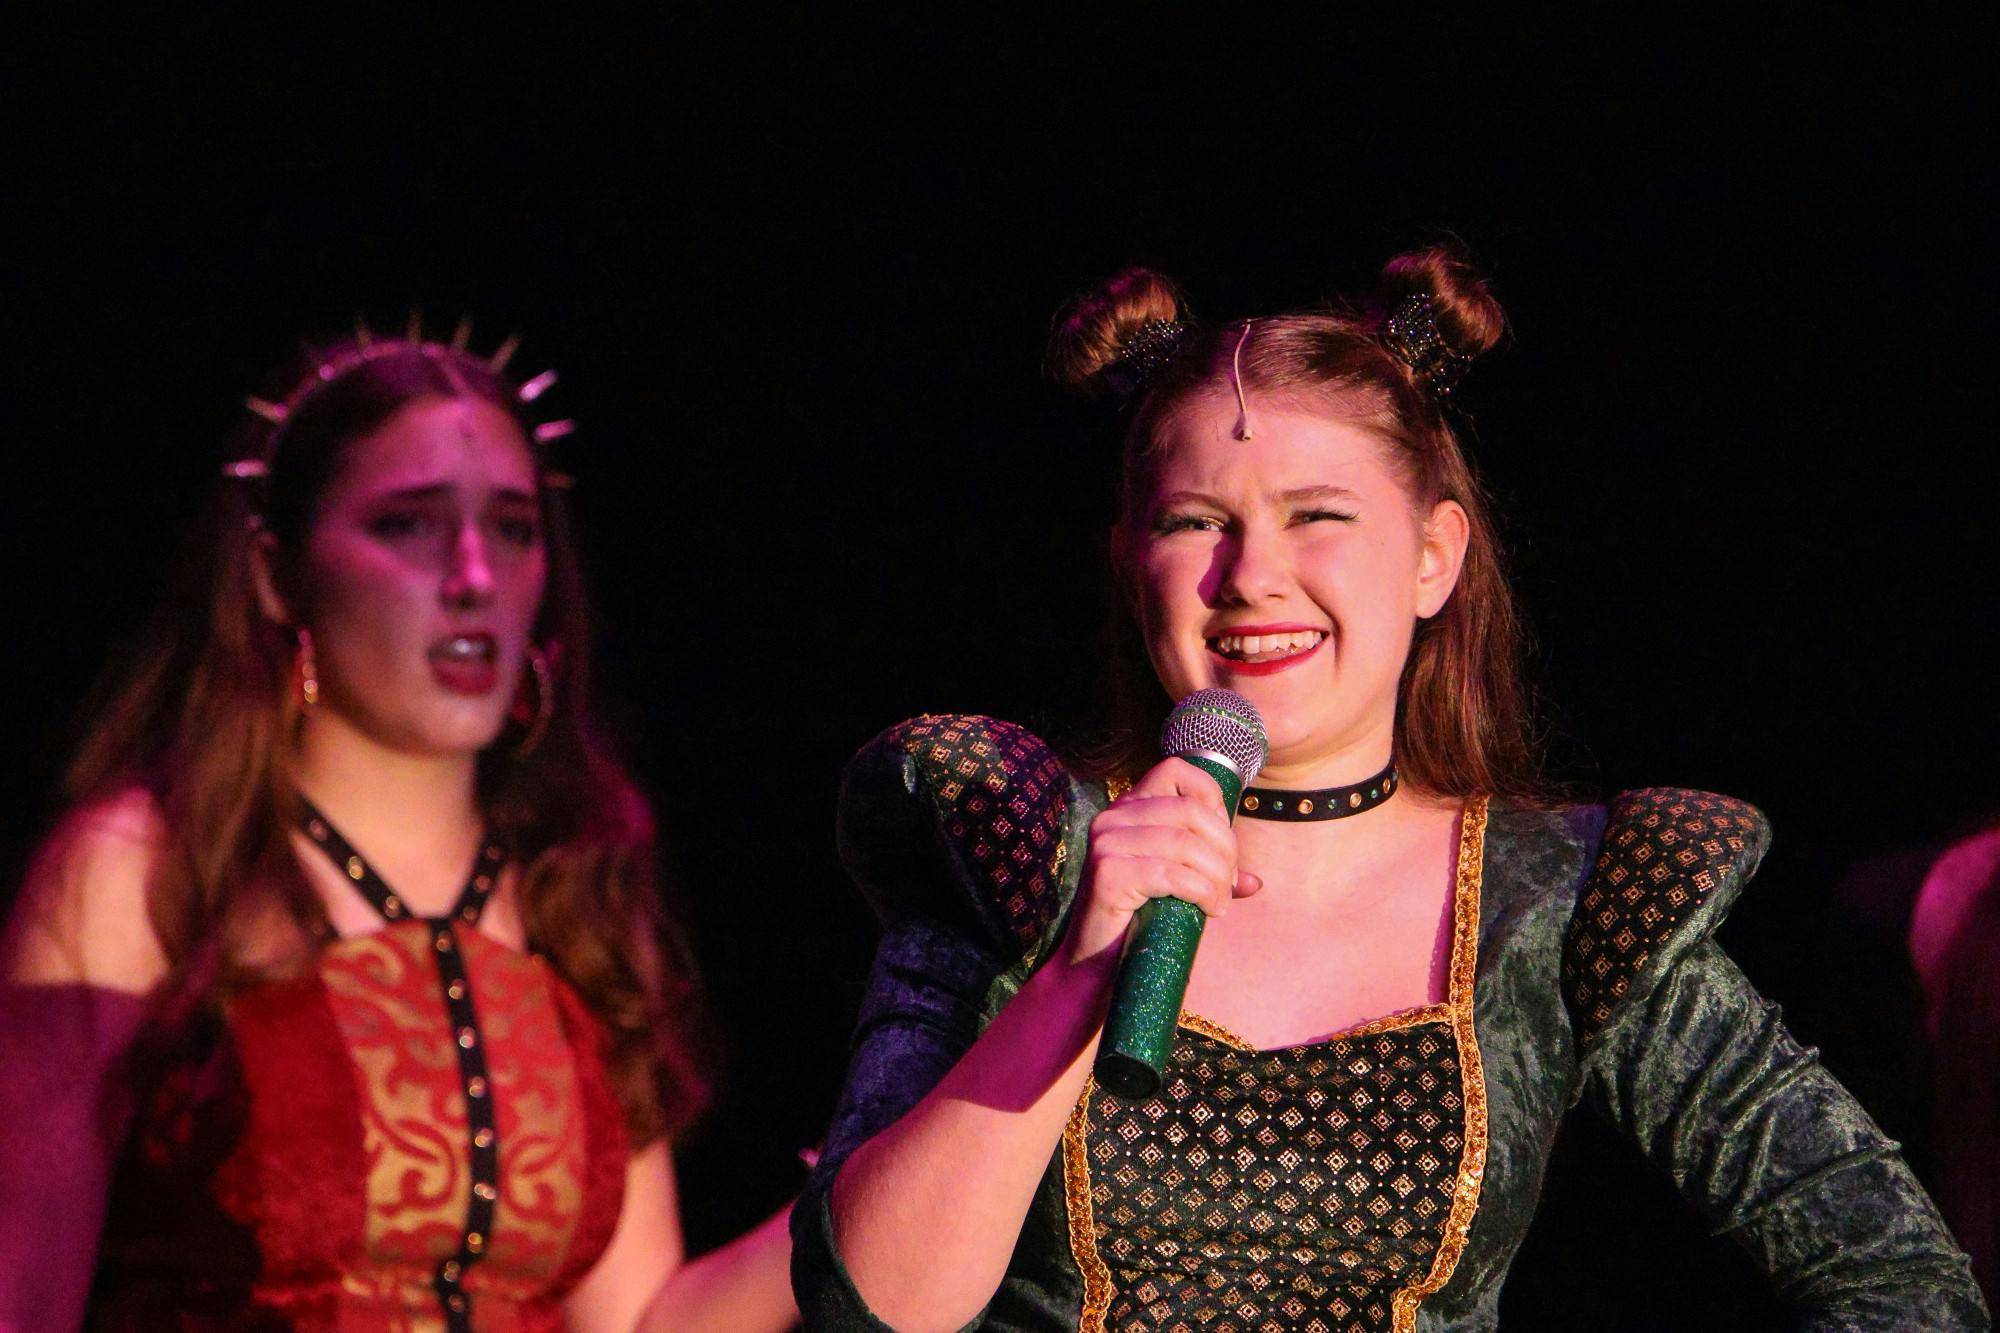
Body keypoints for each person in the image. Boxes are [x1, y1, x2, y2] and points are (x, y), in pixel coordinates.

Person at [789, 249, 1990, 1331]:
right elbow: (869, 1309)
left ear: (1432, 559)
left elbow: (1896, 1280)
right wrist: (1073, 976)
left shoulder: (1555, 900)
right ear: (1126, 563)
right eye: (1194, 521)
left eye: (1316, 517)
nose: (1251, 574)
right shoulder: (1007, 847)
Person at [0, 327, 796, 1331]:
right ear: (275, 575)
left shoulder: (568, 898)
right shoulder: (140, 871)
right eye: (409, 524)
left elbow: (635, 1320)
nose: (472, 574)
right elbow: (22, 1288)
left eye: (513, 528)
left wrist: (850, 1196)